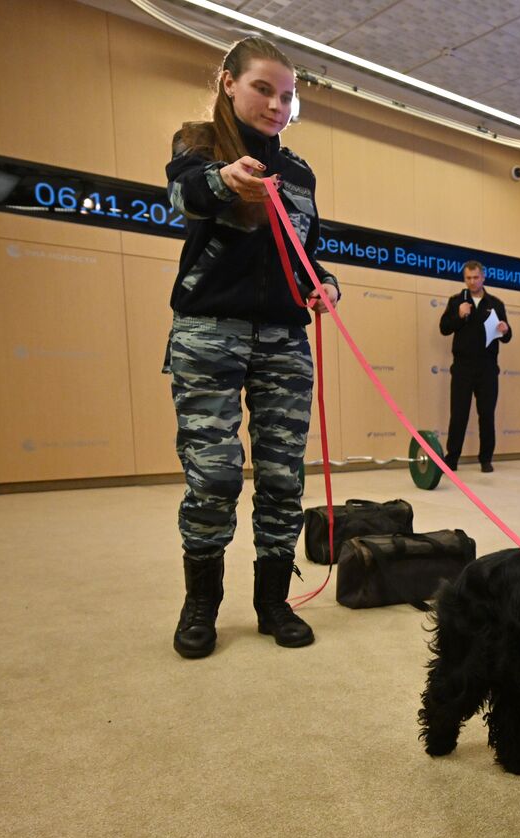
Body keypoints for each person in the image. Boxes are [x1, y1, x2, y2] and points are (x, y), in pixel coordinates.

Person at [165, 36, 340, 660]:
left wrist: (325, 287)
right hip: (208, 333)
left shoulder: (298, 173)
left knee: (281, 479)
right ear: (228, 82)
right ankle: (201, 606)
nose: (276, 104)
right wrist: (225, 179)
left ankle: (272, 602)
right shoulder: (199, 145)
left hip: (283, 340)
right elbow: (184, 194)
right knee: (212, 478)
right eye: (263, 88)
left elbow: (307, 253)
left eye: (287, 95)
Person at [440, 260, 512, 472]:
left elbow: (506, 337)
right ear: (465, 279)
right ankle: (452, 458)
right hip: (462, 367)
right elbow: (444, 328)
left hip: (488, 368)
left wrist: (505, 329)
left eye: (476, 277)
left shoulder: (496, 303)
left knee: (487, 414)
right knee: (459, 414)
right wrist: (459, 316)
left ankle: (486, 459)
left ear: (483, 278)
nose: (472, 282)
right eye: (468, 278)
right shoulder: (456, 301)